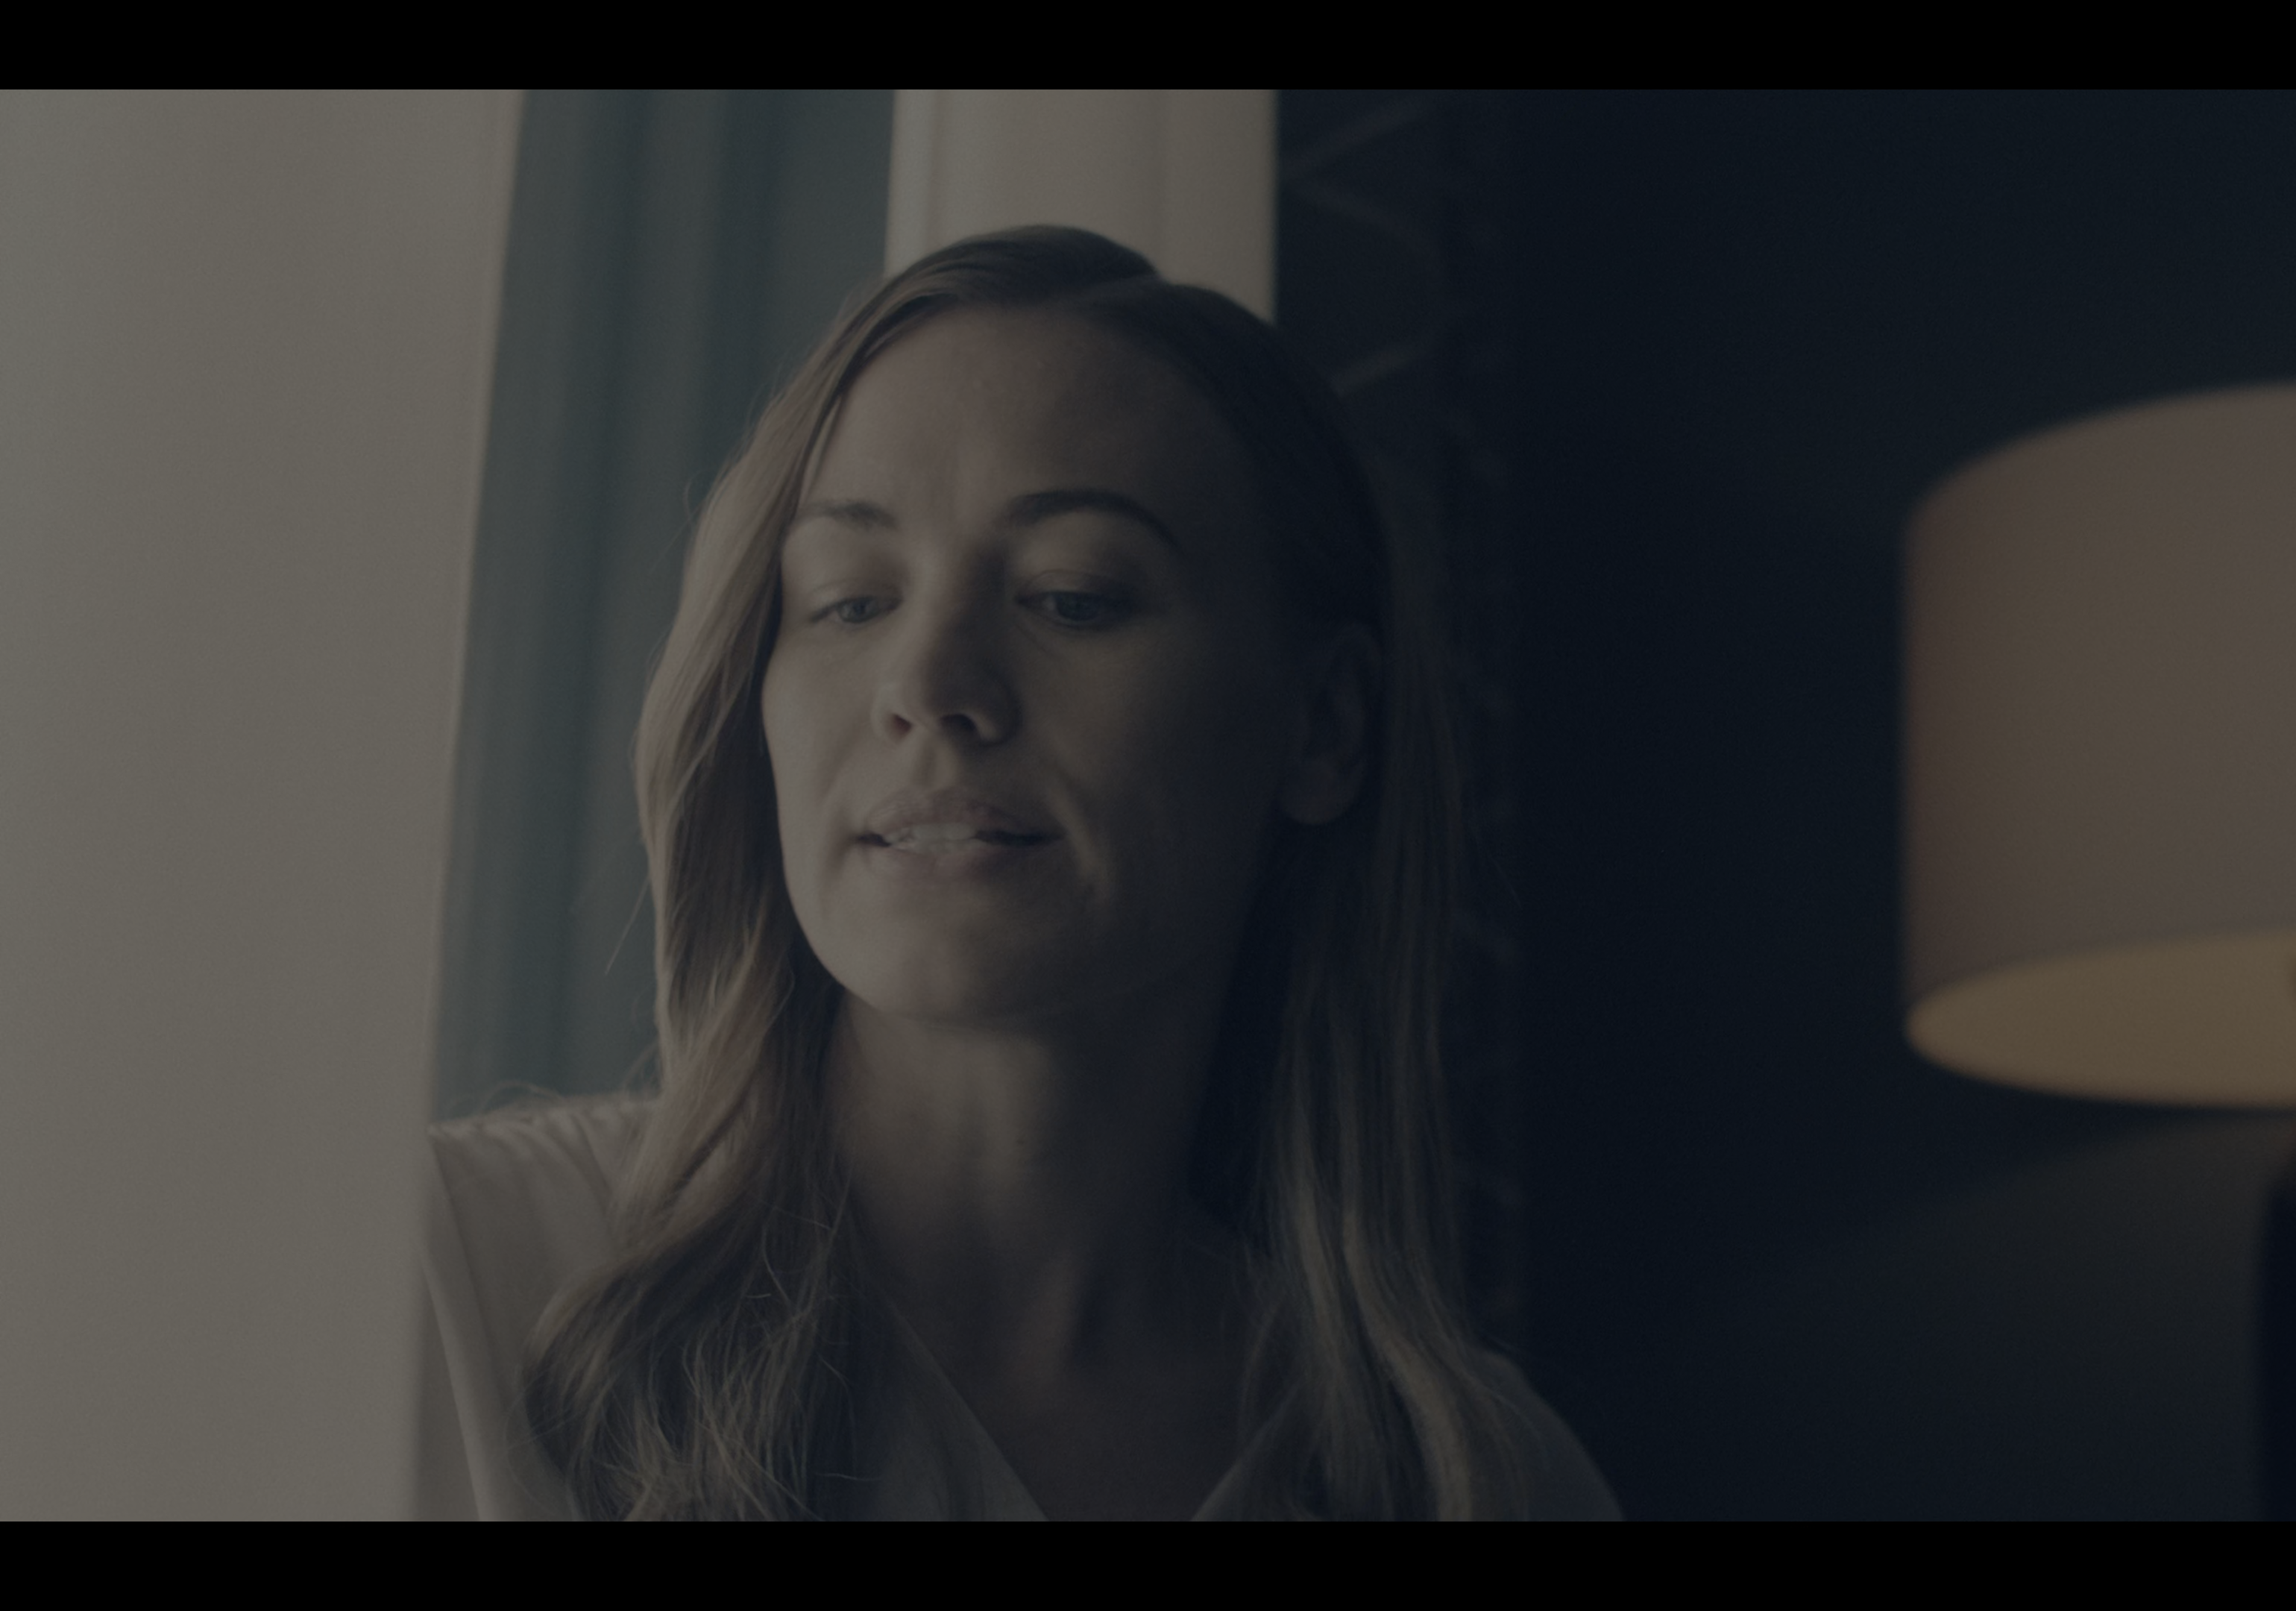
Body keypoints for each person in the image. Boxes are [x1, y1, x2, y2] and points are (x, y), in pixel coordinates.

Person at [413, 226, 1618, 1521]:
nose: (929, 685)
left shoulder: (1472, 1482)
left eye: (1073, 596)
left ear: (1322, 725)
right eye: (851, 600)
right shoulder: (437, 1279)